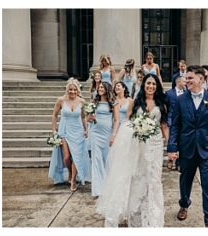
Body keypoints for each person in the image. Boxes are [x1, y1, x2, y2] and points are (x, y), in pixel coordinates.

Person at [96, 74, 168, 227]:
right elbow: (127, 122)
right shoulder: (136, 102)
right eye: (148, 83)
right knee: (138, 177)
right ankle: (135, 213)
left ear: (157, 86)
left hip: (155, 145)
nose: (151, 86)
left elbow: (163, 125)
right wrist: (137, 129)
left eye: (154, 84)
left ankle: (153, 215)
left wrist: (170, 146)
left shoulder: (162, 103)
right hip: (139, 144)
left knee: (154, 179)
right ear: (144, 85)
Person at [167, 65, 208, 227]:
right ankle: (184, 204)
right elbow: (175, 125)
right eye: (186, 78)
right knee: (185, 181)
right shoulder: (180, 100)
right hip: (187, 148)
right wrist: (172, 148)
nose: (186, 80)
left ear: (200, 79)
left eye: (190, 78)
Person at [48, 79, 89, 192]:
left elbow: (83, 116)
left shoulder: (81, 101)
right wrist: (54, 131)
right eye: (70, 89)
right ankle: (71, 172)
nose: (72, 92)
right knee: (66, 157)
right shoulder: (60, 100)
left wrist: (86, 129)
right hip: (64, 130)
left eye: (74, 90)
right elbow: (54, 115)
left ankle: (74, 180)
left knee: (76, 156)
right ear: (67, 90)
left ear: (77, 90)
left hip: (78, 131)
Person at [88, 82, 114, 197]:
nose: (100, 89)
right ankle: (97, 189)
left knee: (106, 158)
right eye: (99, 87)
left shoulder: (112, 103)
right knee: (96, 159)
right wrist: (90, 117)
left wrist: (114, 134)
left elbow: (116, 119)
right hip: (95, 132)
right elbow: (88, 117)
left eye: (102, 87)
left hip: (107, 132)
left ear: (107, 89)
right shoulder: (94, 102)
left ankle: (107, 185)